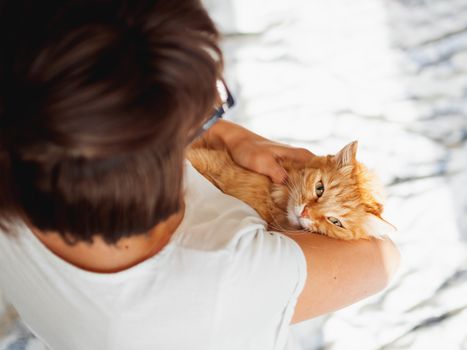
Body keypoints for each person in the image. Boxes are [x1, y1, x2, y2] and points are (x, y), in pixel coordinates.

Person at [0, 0, 400, 349]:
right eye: (213, 101)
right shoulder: (228, 274)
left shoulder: (23, 145)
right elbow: (381, 259)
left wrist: (227, 133)